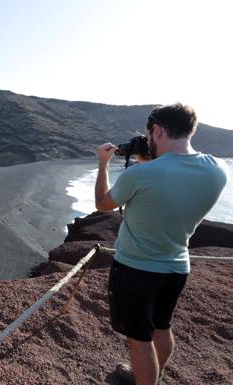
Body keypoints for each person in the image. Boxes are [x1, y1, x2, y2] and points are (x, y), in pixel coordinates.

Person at [94, 103, 229, 385]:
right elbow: (173, 182)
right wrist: (153, 162)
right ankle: (153, 376)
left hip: (136, 268)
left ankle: (143, 378)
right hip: (177, 266)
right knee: (161, 327)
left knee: (139, 339)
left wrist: (103, 163)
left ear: (157, 130)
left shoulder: (139, 175)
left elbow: (103, 204)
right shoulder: (219, 169)